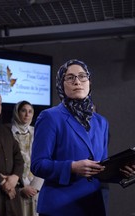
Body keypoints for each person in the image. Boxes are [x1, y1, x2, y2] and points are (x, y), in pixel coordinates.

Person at [30, 59, 108, 216]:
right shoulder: (50, 117)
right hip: (60, 207)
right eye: (70, 77)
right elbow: (38, 165)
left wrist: (121, 171)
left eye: (82, 76)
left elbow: (101, 166)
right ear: (61, 84)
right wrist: (71, 167)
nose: (77, 82)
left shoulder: (101, 122)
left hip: (93, 206)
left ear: (89, 82)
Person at [10, 100, 44, 216]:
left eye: (30, 111)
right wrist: (22, 187)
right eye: (23, 111)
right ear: (17, 112)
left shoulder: (38, 132)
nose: (27, 114)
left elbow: (44, 159)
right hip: (16, 187)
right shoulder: (9, 133)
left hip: (35, 186)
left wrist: (35, 186)